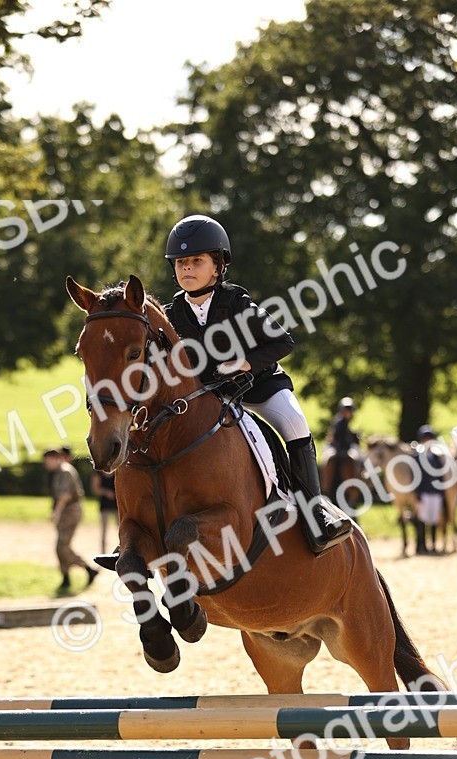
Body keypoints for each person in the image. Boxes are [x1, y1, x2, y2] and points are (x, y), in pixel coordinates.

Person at [163, 214, 354, 556]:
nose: (186, 269)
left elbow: (283, 342)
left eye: (196, 261)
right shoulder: (172, 313)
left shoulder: (237, 302)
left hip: (260, 387)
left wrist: (245, 362)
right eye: (181, 262)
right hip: (213, 396)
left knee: (295, 424)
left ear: (218, 267)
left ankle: (316, 513)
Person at [43, 448, 98, 595]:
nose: (45, 465)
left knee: (62, 546)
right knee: (62, 547)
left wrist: (56, 513)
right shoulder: (59, 472)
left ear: (55, 458)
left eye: (47, 461)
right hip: (66, 512)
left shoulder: (65, 471)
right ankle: (68, 576)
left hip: (70, 511)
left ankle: (86, 569)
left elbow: (65, 496)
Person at [413, 425, 445, 555]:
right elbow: (415, 477)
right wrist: (417, 493)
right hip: (424, 492)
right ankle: (421, 545)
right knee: (422, 520)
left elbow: (441, 476)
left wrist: (441, 492)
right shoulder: (417, 457)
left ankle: (432, 545)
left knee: (433, 520)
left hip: (435, 492)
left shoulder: (437, 457)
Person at [90, 470, 118, 555]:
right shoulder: (98, 474)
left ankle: (122, 552)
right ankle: (103, 553)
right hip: (105, 506)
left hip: (117, 507)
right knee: (104, 532)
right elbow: (95, 490)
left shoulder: (117, 472)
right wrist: (106, 492)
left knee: (122, 531)